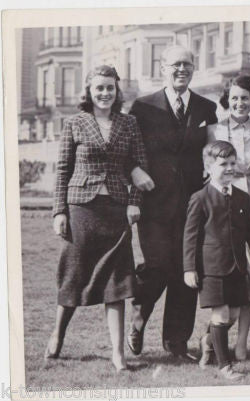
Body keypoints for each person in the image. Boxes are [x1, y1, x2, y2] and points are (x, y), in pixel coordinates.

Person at [46, 65, 148, 371]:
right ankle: (57, 333)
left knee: (116, 281)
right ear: (89, 91)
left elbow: (140, 164)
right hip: (81, 209)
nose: (105, 93)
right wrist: (58, 211)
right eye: (99, 88)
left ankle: (118, 354)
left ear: (117, 91)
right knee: (74, 276)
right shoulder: (75, 123)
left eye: (110, 88)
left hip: (116, 209)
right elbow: (62, 169)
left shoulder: (128, 123)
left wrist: (133, 203)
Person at [126, 46, 218, 361]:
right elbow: (128, 151)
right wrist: (135, 172)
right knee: (157, 265)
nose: (182, 69)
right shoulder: (142, 107)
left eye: (187, 64)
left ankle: (177, 343)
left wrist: (212, 168)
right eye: (175, 64)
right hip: (154, 203)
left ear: (195, 68)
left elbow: (213, 149)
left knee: (187, 270)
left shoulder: (207, 107)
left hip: (193, 204)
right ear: (163, 67)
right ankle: (138, 316)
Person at [183, 140, 250, 380]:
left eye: (233, 163)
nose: (230, 168)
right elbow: (190, 237)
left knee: (232, 316)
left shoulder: (242, 197)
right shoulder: (199, 198)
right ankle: (225, 367)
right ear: (208, 166)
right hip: (212, 267)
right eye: (224, 164)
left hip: (237, 267)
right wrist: (189, 268)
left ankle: (208, 340)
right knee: (220, 315)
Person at [206, 75, 250, 360]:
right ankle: (213, 337)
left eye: (245, 97)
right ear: (227, 100)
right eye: (234, 97)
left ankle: (242, 342)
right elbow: (208, 168)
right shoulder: (213, 130)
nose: (240, 103)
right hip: (224, 209)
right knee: (229, 275)